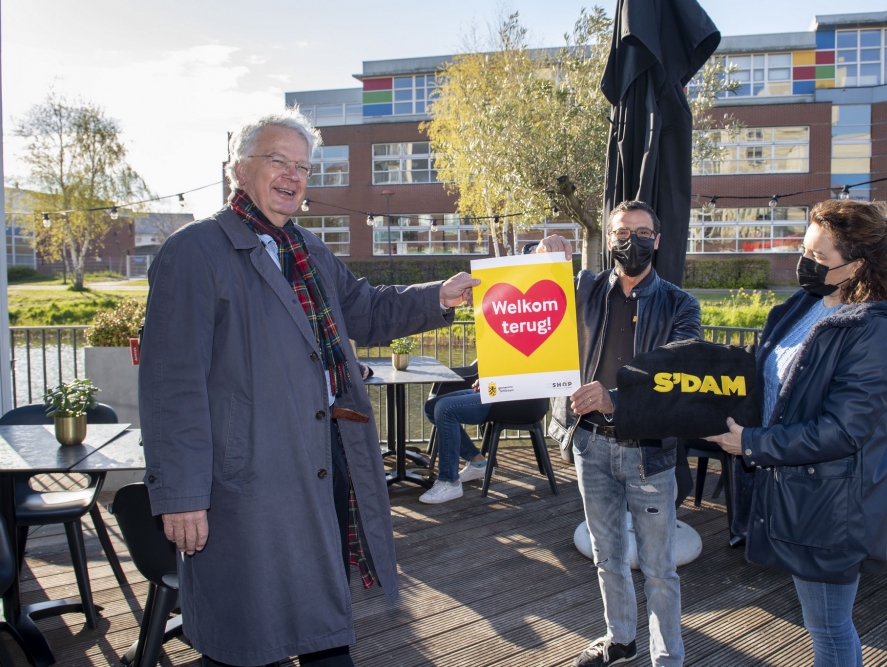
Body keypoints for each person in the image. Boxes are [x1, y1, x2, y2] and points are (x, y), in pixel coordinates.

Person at [138, 108, 478, 667]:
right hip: (243, 482)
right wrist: (180, 495)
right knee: (251, 633)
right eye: (278, 160)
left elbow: (367, 312)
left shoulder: (310, 252)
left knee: (318, 616)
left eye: (303, 166)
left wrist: (442, 294)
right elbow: (172, 387)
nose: (293, 175)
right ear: (238, 169)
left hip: (319, 460)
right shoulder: (194, 252)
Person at [706, 199, 887, 667]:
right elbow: (772, 383)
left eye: (819, 258)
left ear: (858, 265)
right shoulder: (804, 304)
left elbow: (845, 430)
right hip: (796, 488)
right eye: (804, 250)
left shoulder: (877, 330)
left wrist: (754, 444)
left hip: (833, 502)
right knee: (820, 622)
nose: (806, 264)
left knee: (828, 626)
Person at [539, 200, 701, 667]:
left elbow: (679, 377)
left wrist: (615, 398)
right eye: (622, 231)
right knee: (607, 556)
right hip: (590, 444)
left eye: (642, 231)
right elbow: (528, 299)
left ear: (659, 239)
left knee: (658, 569)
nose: (632, 240)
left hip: (648, 452)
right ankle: (620, 639)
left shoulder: (679, 303)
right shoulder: (583, 288)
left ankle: (668, 655)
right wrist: (542, 253)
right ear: (609, 239)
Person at [418, 379, 490, 504]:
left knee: (446, 408)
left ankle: (449, 481)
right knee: (431, 407)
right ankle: (478, 462)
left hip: (512, 397)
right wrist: (485, 379)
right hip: (494, 389)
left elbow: (525, 364)